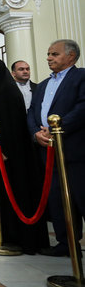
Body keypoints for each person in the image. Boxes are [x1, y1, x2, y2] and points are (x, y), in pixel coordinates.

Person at [0, 58, 49, 254]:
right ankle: (5, 233)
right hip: (0, 152)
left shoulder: (7, 91)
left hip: (11, 154)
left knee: (16, 191)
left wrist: (5, 151)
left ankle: (19, 237)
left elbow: (12, 125)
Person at [28, 40, 85, 257]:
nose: (49, 58)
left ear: (71, 56)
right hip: (48, 152)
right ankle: (66, 243)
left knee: (80, 196)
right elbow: (33, 111)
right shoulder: (42, 85)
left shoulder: (81, 77)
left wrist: (57, 128)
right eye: (48, 54)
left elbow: (83, 107)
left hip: (74, 151)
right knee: (56, 198)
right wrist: (36, 132)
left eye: (55, 54)